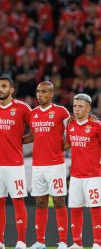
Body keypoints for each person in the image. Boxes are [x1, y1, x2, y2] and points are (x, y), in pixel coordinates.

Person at [0, 76, 31, 249]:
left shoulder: (22, 108)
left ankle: (21, 242)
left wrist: (20, 141)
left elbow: (36, 130)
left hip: (15, 164)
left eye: (3, 86)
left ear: (12, 89)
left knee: (18, 201)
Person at [26, 81, 70, 249]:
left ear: (52, 94)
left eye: (44, 91)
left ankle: (63, 242)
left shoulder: (61, 112)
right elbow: (32, 136)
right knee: (40, 203)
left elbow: (73, 131)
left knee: (59, 201)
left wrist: (65, 146)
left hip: (55, 165)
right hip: (37, 165)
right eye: (38, 91)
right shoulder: (33, 113)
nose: (40, 94)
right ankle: (40, 242)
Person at [63, 94, 101, 249]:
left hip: (93, 175)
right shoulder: (70, 126)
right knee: (75, 209)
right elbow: (65, 146)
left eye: (80, 106)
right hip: (76, 176)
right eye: (74, 106)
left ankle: (97, 243)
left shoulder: (97, 126)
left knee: (96, 209)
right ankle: (77, 243)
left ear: (88, 108)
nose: (76, 109)